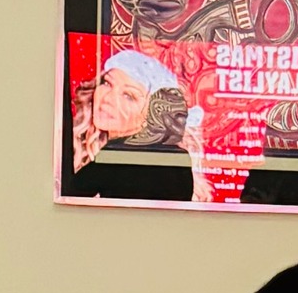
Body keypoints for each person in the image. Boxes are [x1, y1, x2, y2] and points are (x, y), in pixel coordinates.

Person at [62, 48, 209, 204]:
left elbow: (69, 197)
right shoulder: (173, 155)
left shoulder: (118, 154)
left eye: (129, 96)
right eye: (107, 83)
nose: (108, 98)